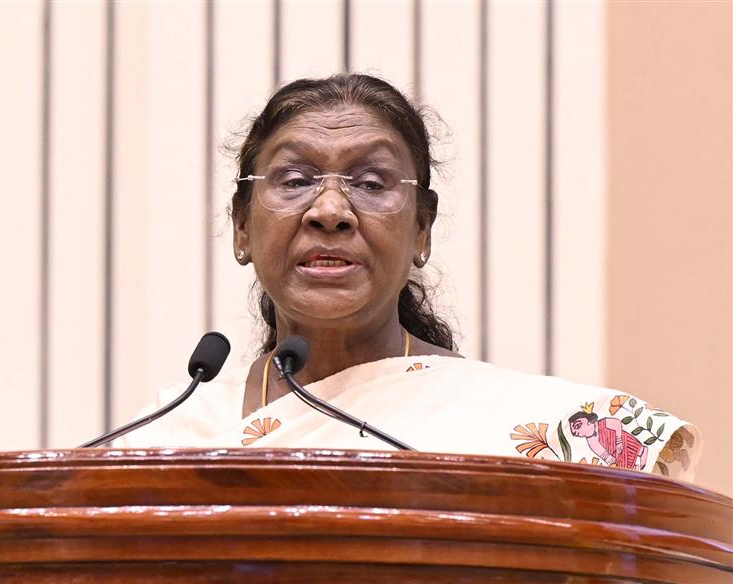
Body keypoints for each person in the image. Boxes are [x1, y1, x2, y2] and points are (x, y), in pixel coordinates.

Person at [119, 74, 700, 483]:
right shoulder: (161, 441)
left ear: (422, 230)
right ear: (242, 227)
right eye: (294, 180)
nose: (330, 210)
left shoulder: (555, 434)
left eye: (372, 184)